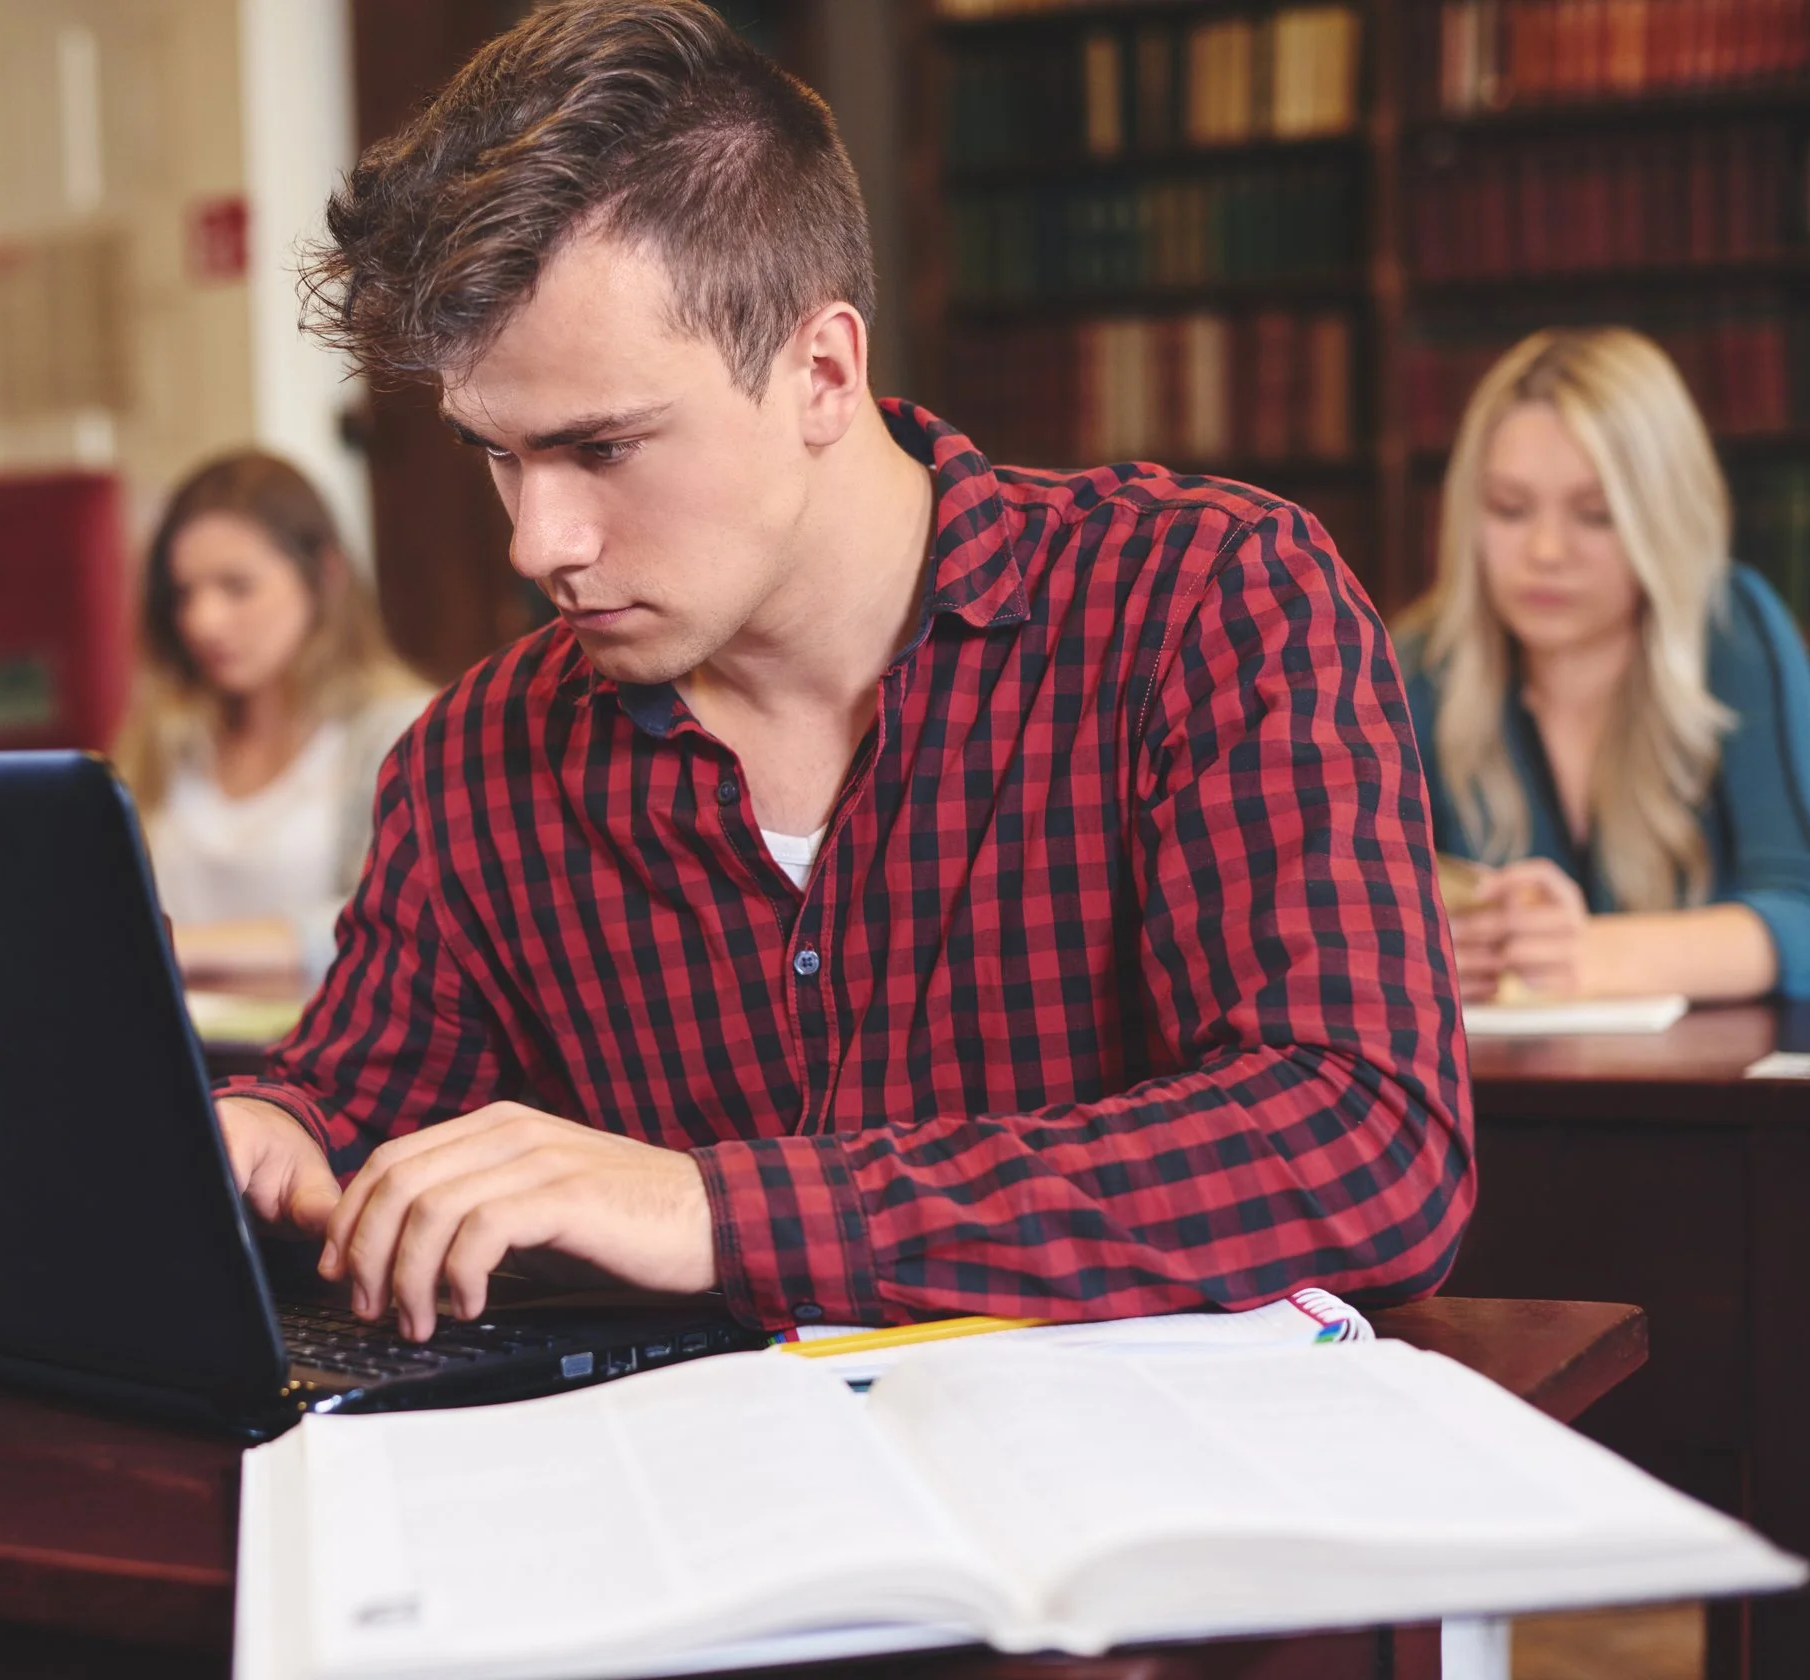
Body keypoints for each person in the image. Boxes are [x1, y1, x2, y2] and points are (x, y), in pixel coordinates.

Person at [214, 0, 1472, 1341]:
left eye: (603, 448)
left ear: (821, 370)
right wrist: (263, 1136)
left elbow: (1364, 1142)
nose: (539, 543)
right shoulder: (478, 760)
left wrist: (714, 1211)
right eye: (498, 454)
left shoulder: (1204, 603)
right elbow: (342, 1107)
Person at [1396, 328, 1810, 1004]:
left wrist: (1585, 954)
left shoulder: (1731, 629)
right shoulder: (1415, 665)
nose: (1546, 551)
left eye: (1596, 515)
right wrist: (1417, 953)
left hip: (1706, 1071)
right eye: (1509, 509)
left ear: (1664, 518)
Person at [112, 451, 431, 984]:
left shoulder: (400, 730)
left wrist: (178, 948)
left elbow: (403, 920)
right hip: (173, 1034)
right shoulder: (167, 734)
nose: (204, 621)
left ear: (325, 576)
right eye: (185, 594)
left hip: (322, 1035)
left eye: (237, 587)